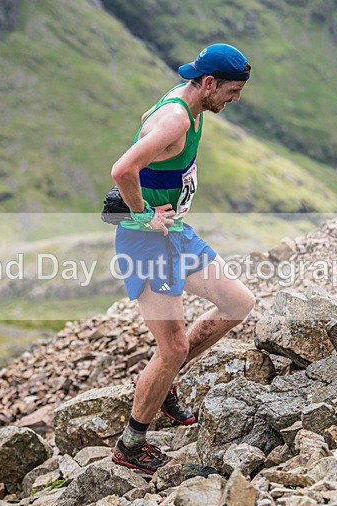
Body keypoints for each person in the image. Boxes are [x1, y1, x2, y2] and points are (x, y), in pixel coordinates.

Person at [110, 43, 256, 475]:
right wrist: (142, 214)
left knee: (238, 303)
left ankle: (165, 380)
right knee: (172, 347)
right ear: (208, 83)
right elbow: (122, 170)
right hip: (147, 242)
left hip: (175, 233)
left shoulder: (187, 102)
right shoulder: (177, 117)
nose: (236, 100)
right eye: (232, 91)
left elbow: (144, 124)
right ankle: (131, 445)